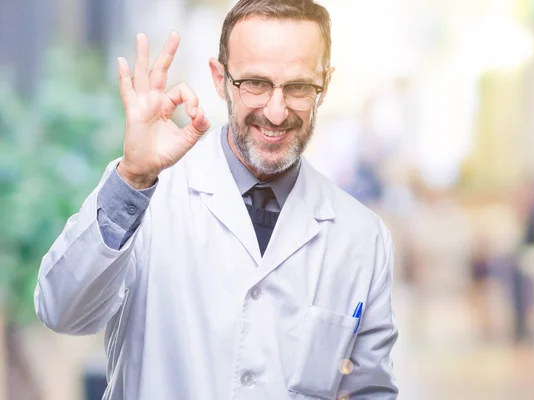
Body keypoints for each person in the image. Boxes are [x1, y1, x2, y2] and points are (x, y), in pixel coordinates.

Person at [33, 0, 399, 399]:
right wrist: (134, 179)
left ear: (324, 85)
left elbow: (368, 391)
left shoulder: (362, 238)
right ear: (220, 78)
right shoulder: (148, 197)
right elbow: (61, 312)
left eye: (297, 87)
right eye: (255, 83)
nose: (276, 112)